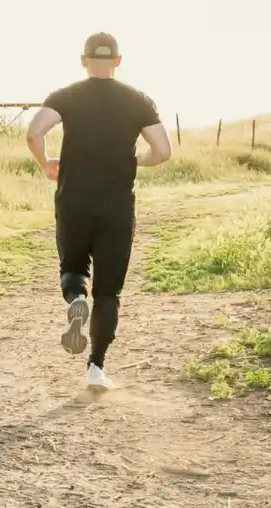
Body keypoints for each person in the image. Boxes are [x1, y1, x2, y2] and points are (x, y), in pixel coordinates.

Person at [25, 33, 172, 392]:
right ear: (118, 61)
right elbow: (163, 151)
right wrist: (131, 158)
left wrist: (46, 163)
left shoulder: (66, 96)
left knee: (73, 269)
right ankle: (96, 368)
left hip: (74, 200)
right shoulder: (138, 100)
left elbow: (34, 132)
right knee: (109, 291)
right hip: (118, 206)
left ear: (83, 60)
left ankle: (76, 299)